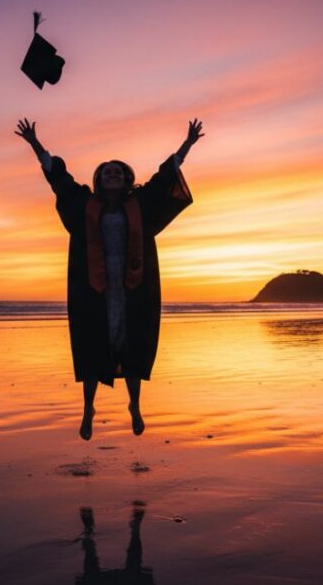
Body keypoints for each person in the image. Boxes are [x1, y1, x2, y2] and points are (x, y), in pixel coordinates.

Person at [16, 118, 204, 440]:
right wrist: (35, 144)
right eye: (107, 171)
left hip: (134, 286)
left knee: (132, 344)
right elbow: (58, 179)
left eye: (118, 171)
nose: (112, 174)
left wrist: (187, 144)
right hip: (94, 288)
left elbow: (164, 177)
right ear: (100, 180)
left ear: (126, 178)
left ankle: (134, 405)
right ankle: (88, 408)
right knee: (92, 346)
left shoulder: (139, 203)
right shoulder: (85, 203)